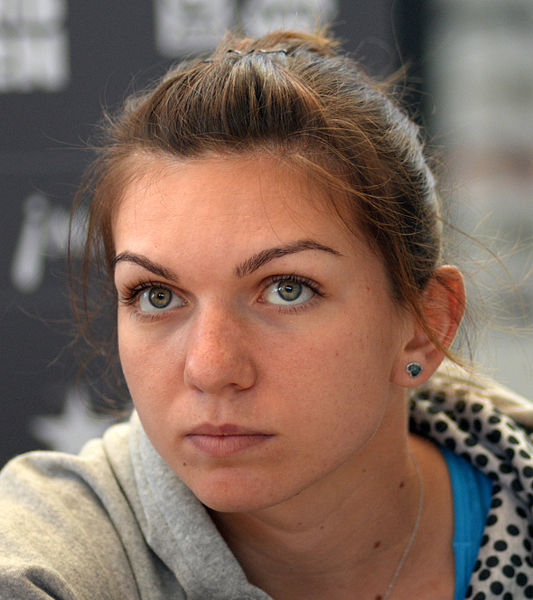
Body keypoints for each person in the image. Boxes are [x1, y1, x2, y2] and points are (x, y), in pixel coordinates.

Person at [1, 29, 532, 600]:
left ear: (423, 329)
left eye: (285, 289)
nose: (210, 367)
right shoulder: (49, 559)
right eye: (157, 295)